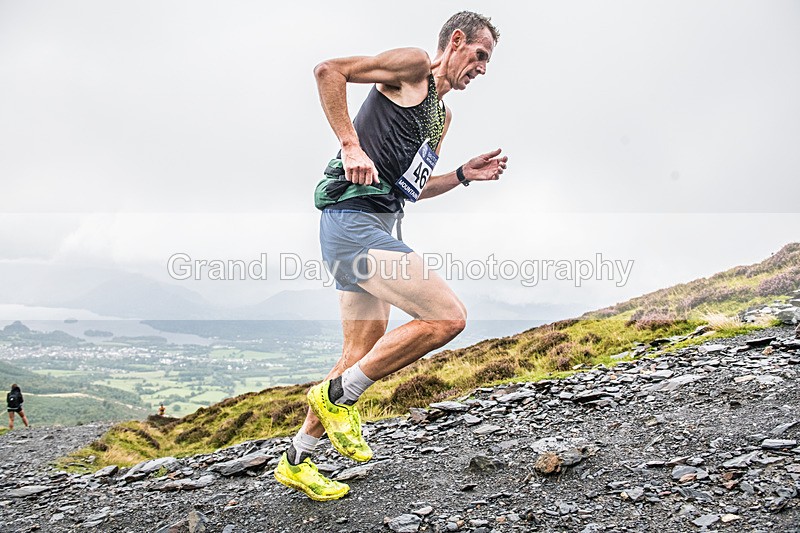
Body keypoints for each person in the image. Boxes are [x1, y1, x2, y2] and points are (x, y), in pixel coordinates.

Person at [273, 11, 507, 501]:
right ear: (457, 41)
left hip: (380, 223)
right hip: (352, 223)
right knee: (447, 317)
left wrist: (463, 175)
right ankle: (339, 397)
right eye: (480, 56)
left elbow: (412, 190)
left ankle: (298, 459)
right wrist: (350, 145)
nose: (483, 69)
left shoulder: (442, 117)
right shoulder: (413, 66)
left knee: (361, 351)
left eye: (488, 62)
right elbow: (328, 71)